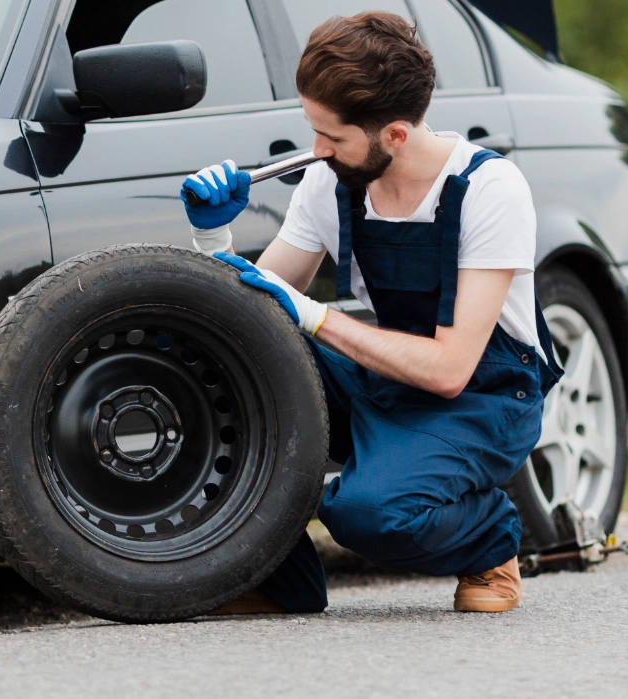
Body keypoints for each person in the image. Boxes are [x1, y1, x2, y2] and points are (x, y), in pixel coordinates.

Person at [181, 11, 560, 614]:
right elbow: (252, 313)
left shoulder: (490, 189)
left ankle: (489, 536)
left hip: (483, 398)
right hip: (387, 373)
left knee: (368, 516)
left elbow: (450, 370)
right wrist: (214, 240)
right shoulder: (330, 180)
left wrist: (315, 317)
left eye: (333, 136)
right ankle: (279, 580)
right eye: (314, 129)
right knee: (222, 359)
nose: (316, 149)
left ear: (396, 135)